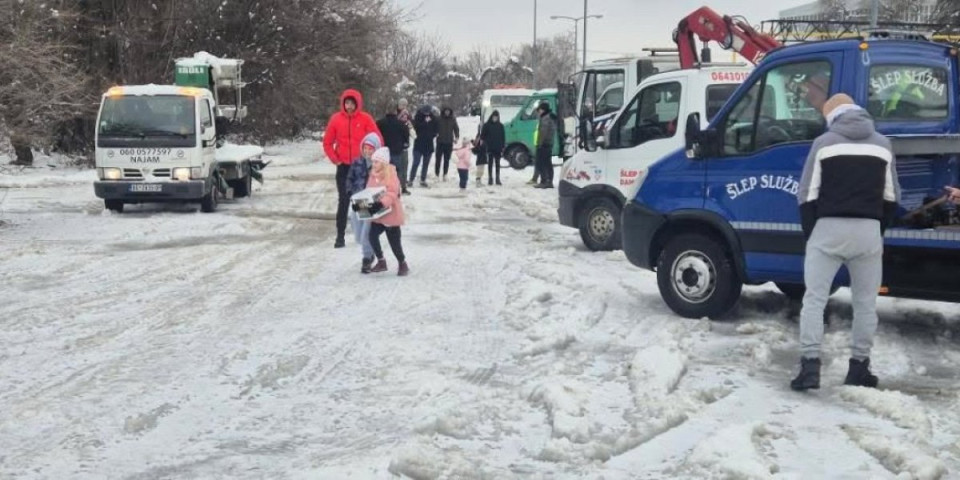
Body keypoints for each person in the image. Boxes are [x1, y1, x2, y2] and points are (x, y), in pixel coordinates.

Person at [791, 93, 901, 391]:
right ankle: (859, 368)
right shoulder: (882, 144)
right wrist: (876, 229)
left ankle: (810, 367)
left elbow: (806, 194)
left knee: (814, 300)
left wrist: (813, 232)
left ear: (833, 117)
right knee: (866, 304)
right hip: (867, 231)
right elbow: (892, 198)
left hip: (828, 228)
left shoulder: (824, 144)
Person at [322, 89, 382, 248]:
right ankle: (340, 236)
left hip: (360, 167)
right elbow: (327, 142)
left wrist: (372, 160)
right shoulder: (336, 119)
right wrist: (336, 159)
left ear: (357, 104)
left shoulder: (365, 119)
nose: (349, 106)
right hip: (343, 167)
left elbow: (377, 140)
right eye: (346, 103)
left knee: (362, 200)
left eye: (352, 103)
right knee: (343, 201)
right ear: (343, 103)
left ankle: (365, 235)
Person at [366, 147, 409, 276]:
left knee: (395, 243)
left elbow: (392, 193)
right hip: (377, 216)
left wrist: (381, 203)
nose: (373, 164)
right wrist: (361, 205)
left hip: (390, 215)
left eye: (376, 162)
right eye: (373, 162)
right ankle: (381, 261)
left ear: (384, 163)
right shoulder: (372, 175)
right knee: (372, 236)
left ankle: (402, 263)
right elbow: (368, 191)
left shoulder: (391, 175)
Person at [347, 133, 383, 273]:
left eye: (371, 149)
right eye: (365, 148)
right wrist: (350, 191)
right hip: (358, 200)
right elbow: (350, 178)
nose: (368, 151)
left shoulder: (379, 165)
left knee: (366, 231)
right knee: (357, 230)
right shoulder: (357, 162)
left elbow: (385, 182)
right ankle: (369, 250)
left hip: (370, 202)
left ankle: (367, 258)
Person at [376, 106, 411, 195]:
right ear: (395, 113)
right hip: (397, 150)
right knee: (396, 171)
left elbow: (375, 133)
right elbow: (406, 136)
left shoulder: (380, 123)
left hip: (384, 150)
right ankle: (396, 190)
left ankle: (384, 189)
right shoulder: (401, 124)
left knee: (384, 171)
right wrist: (405, 144)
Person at [409, 105, 438, 188]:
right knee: (416, 162)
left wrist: (433, 135)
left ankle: (423, 179)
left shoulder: (433, 118)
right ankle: (411, 179)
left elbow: (436, 129)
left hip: (429, 144)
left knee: (426, 163)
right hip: (418, 144)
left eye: (428, 112)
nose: (427, 114)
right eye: (425, 112)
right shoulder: (418, 117)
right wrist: (425, 122)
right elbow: (415, 127)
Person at [533, 101, 557, 189]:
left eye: (539, 110)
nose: (538, 112)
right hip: (548, 143)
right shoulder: (549, 117)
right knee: (547, 163)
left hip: (544, 144)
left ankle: (544, 181)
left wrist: (540, 143)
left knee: (541, 163)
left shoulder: (546, 118)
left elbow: (543, 132)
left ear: (543, 110)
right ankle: (549, 181)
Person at [479, 110, 505, 186]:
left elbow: (503, 137)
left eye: (496, 117)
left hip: (498, 147)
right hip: (489, 147)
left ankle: (497, 178)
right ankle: (490, 178)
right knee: (490, 163)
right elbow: (482, 135)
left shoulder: (500, 126)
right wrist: (483, 142)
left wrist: (503, 146)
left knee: (497, 163)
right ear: (491, 117)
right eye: (494, 117)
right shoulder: (487, 125)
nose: (495, 118)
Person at [435, 106, 460, 182]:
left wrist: (456, 137)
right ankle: (437, 174)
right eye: (446, 111)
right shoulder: (439, 119)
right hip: (440, 142)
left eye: (448, 111)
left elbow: (456, 129)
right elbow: (434, 127)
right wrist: (435, 133)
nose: (447, 112)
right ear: (443, 111)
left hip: (449, 142)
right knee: (438, 159)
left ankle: (445, 174)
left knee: (447, 159)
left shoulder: (452, 119)